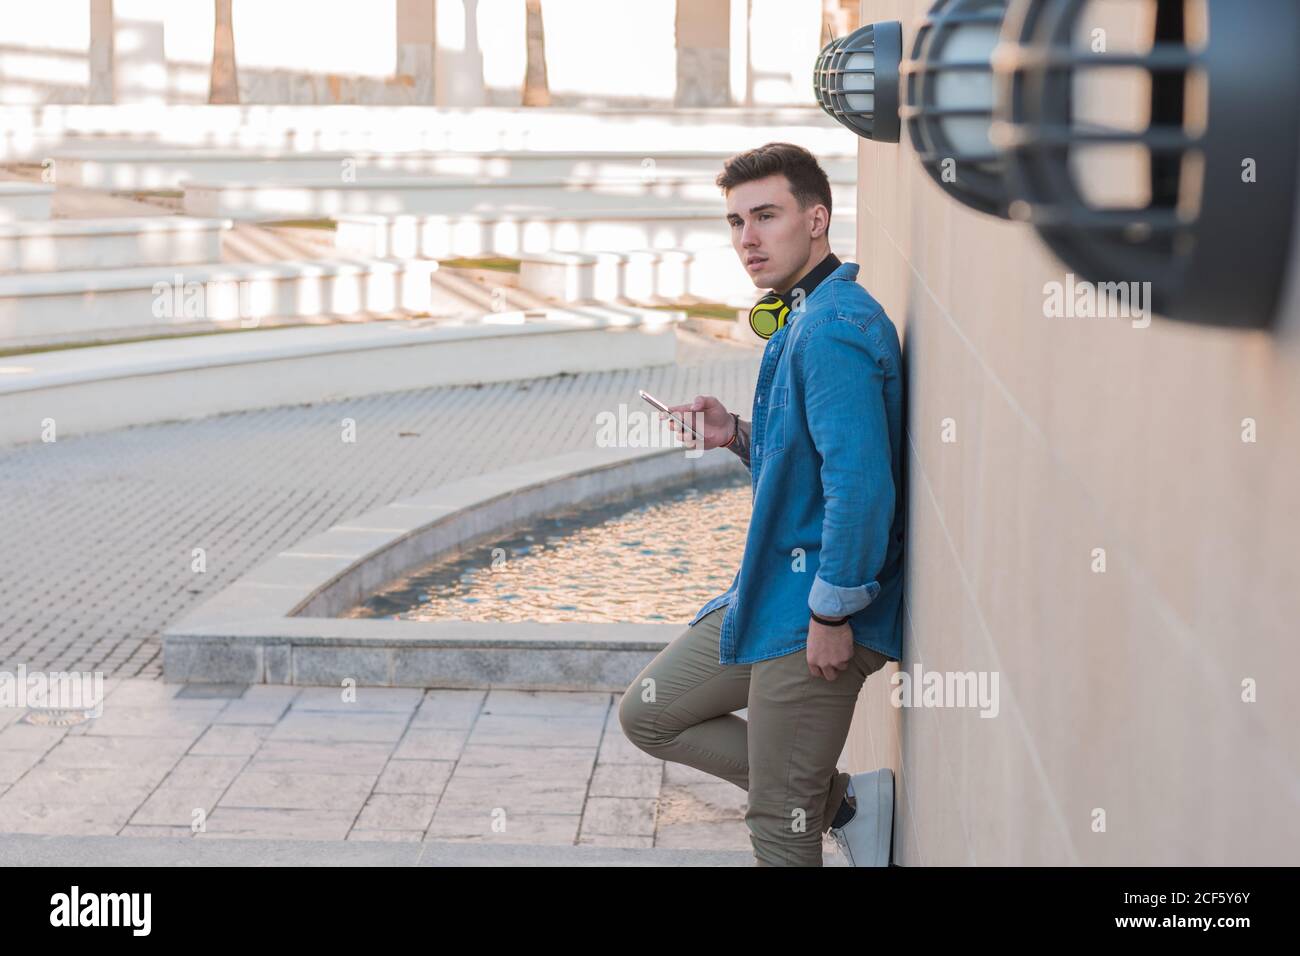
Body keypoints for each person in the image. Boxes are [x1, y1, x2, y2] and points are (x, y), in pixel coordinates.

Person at [618, 142, 905, 866]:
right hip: (774, 592)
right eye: (736, 221)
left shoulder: (833, 329)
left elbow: (861, 487)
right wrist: (738, 435)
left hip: (813, 608)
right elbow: (816, 460)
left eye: (766, 215)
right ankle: (839, 801)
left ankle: (813, 803)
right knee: (650, 713)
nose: (748, 237)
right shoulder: (806, 314)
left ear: (817, 219)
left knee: (779, 823)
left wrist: (833, 612)